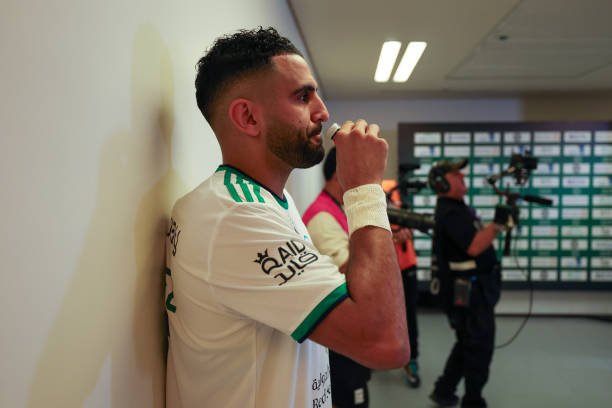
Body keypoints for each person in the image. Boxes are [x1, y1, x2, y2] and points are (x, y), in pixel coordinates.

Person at [164, 27, 409, 408]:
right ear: (248, 117)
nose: (323, 112)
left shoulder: (266, 200)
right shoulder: (235, 215)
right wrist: (365, 189)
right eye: (302, 96)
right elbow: (386, 343)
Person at [427, 159, 511, 408]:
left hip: (475, 289)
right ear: (442, 183)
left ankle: (444, 390)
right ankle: (473, 400)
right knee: (478, 346)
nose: (462, 176)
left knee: (467, 342)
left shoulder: (457, 208)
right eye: (456, 175)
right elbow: (474, 246)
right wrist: (497, 225)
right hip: (469, 292)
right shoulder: (451, 213)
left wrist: (496, 226)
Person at [302, 147, 372, 407]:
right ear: (338, 174)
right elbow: (349, 271)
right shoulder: (322, 216)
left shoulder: (336, 208)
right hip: (338, 333)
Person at [382, 181, 421, 388]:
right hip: (382, 266)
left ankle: (412, 359)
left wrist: (406, 233)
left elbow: (412, 222)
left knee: (409, 314)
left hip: (406, 264)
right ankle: (378, 354)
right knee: (379, 313)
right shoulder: (365, 188)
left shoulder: (398, 188)